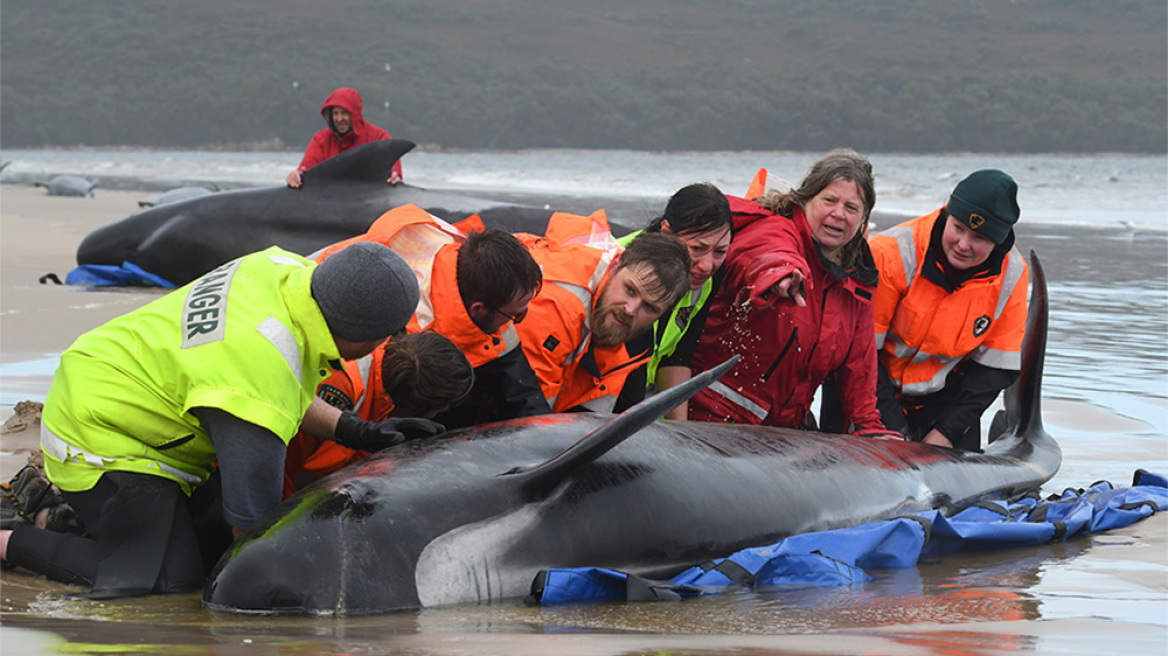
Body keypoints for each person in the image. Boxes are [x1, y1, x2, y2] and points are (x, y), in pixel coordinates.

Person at [0, 242, 429, 597]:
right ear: (360, 333)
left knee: (202, 545)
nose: (388, 343)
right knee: (168, 581)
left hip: (124, 380)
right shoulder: (255, 374)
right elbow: (250, 526)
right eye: (387, 335)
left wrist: (355, 430)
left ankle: (69, 518)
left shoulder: (287, 272)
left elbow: (282, 385)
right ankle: (8, 542)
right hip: (99, 434)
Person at [686, 149, 891, 435]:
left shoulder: (857, 282)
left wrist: (870, 428)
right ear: (805, 199)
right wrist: (778, 275)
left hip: (783, 432)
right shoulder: (774, 229)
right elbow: (764, 253)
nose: (838, 214)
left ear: (863, 218)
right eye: (829, 200)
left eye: (852, 207)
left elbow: (860, 369)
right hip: (710, 416)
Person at [315, 204, 551, 427]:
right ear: (478, 309)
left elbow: (518, 389)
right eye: (515, 316)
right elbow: (372, 412)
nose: (517, 320)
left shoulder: (478, 273)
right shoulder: (402, 329)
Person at [865, 169, 1029, 451]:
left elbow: (993, 371)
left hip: (943, 400)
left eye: (979, 237)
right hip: (867, 389)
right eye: (958, 228)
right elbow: (860, 350)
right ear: (946, 215)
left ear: (998, 241)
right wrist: (892, 429)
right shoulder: (890, 251)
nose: (963, 245)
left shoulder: (1013, 275)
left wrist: (946, 432)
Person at [516, 212, 692, 413]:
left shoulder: (638, 346)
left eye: (650, 307)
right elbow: (523, 416)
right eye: (630, 290)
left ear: (665, 313)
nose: (631, 309)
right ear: (616, 263)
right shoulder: (559, 302)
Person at [283, 330, 474, 496]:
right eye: (440, 411)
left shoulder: (379, 345)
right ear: (413, 411)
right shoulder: (342, 390)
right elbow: (288, 465)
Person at [613, 183, 734, 418]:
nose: (707, 265)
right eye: (698, 248)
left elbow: (678, 355)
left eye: (720, 252)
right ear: (666, 232)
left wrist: (679, 433)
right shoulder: (620, 266)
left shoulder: (707, 277)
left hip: (642, 398)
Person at [286, 87, 402, 188]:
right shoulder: (321, 140)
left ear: (355, 113)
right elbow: (305, 170)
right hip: (331, 203)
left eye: (344, 113)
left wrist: (395, 176)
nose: (339, 118)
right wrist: (296, 176)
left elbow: (395, 173)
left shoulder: (379, 137)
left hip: (372, 204)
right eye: (335, 113)